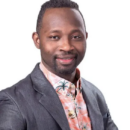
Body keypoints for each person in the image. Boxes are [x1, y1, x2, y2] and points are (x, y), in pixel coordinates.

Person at [0, 0, 118, 130]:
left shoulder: (95, 95)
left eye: (76, 37)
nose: (67, 47)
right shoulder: (13, 101)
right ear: (37, 40)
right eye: (55, 37)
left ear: (85, 37)